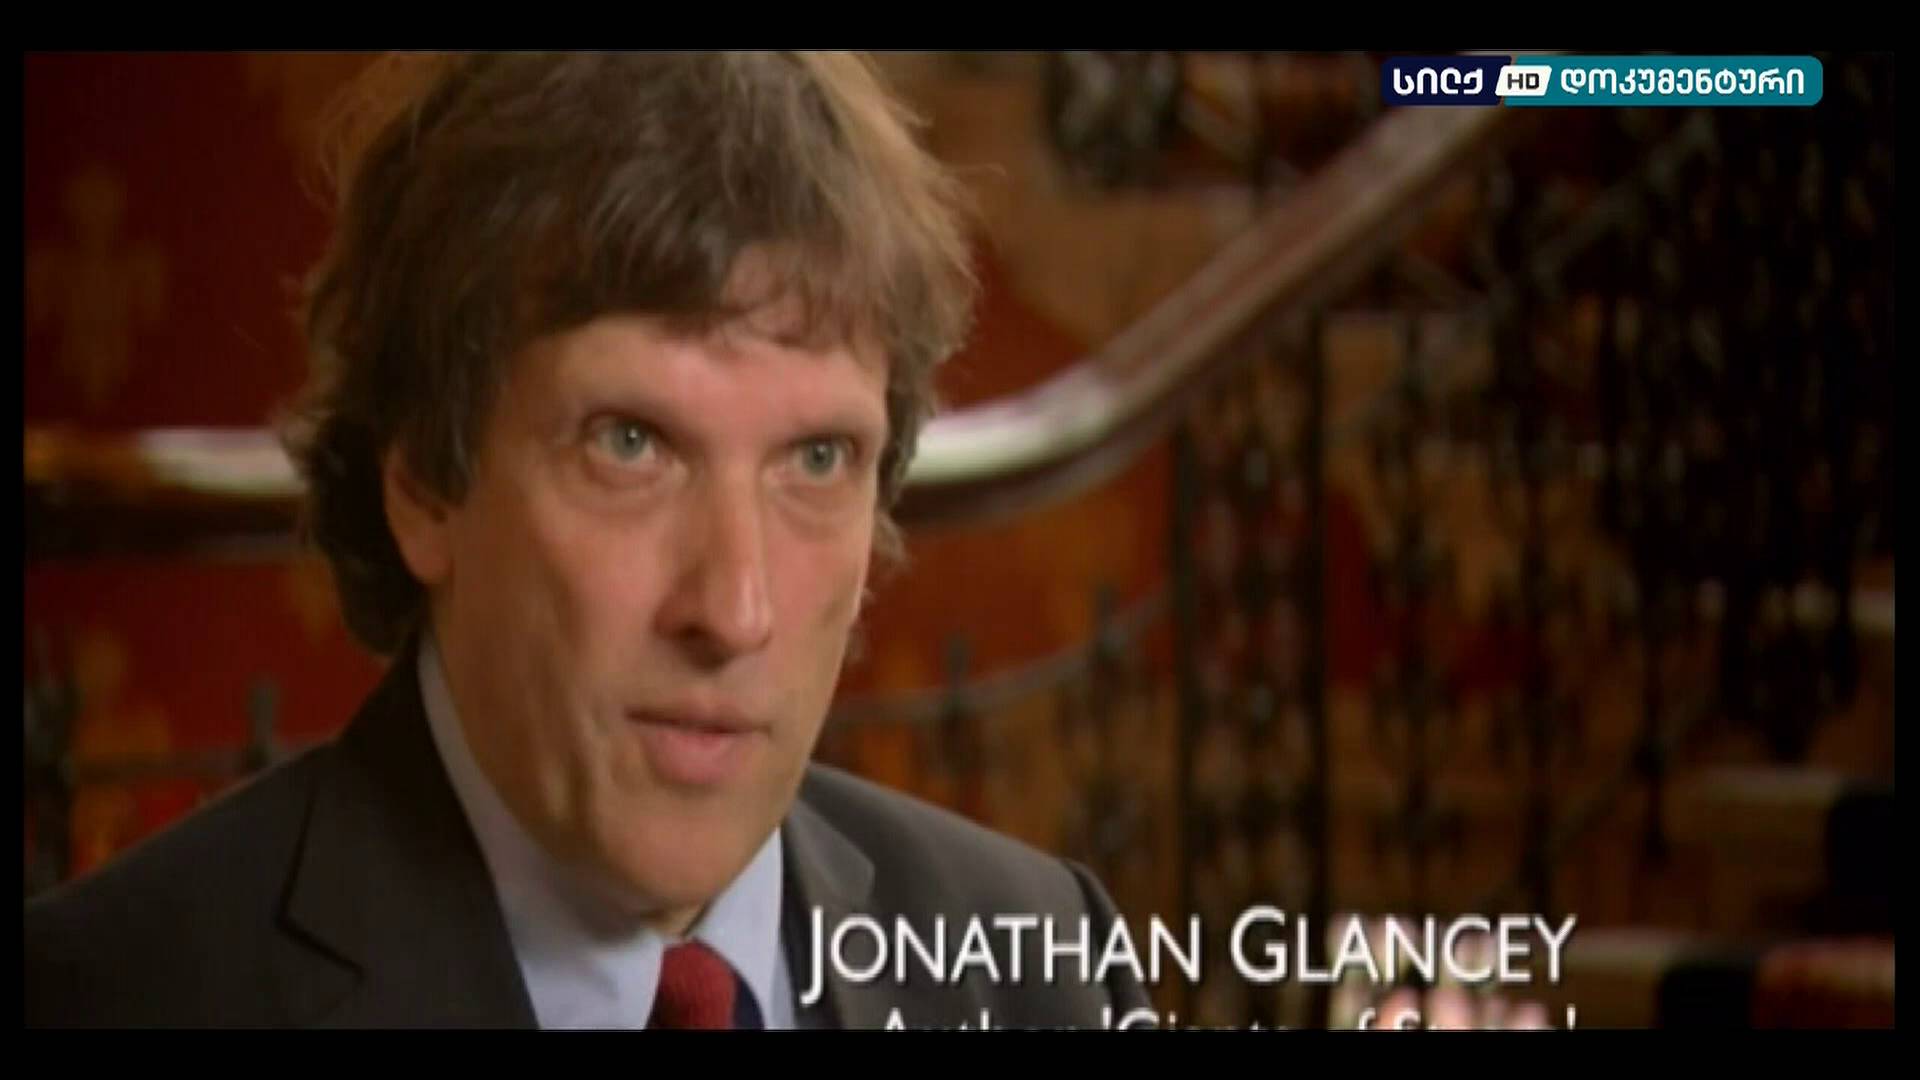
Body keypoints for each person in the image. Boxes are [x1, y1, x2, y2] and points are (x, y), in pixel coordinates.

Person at [24, 51, 1152, 1029]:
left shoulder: (1043, 965)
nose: (736, 609)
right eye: (631, 444)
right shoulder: (111, 995)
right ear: (423, 480)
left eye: (816, 460)